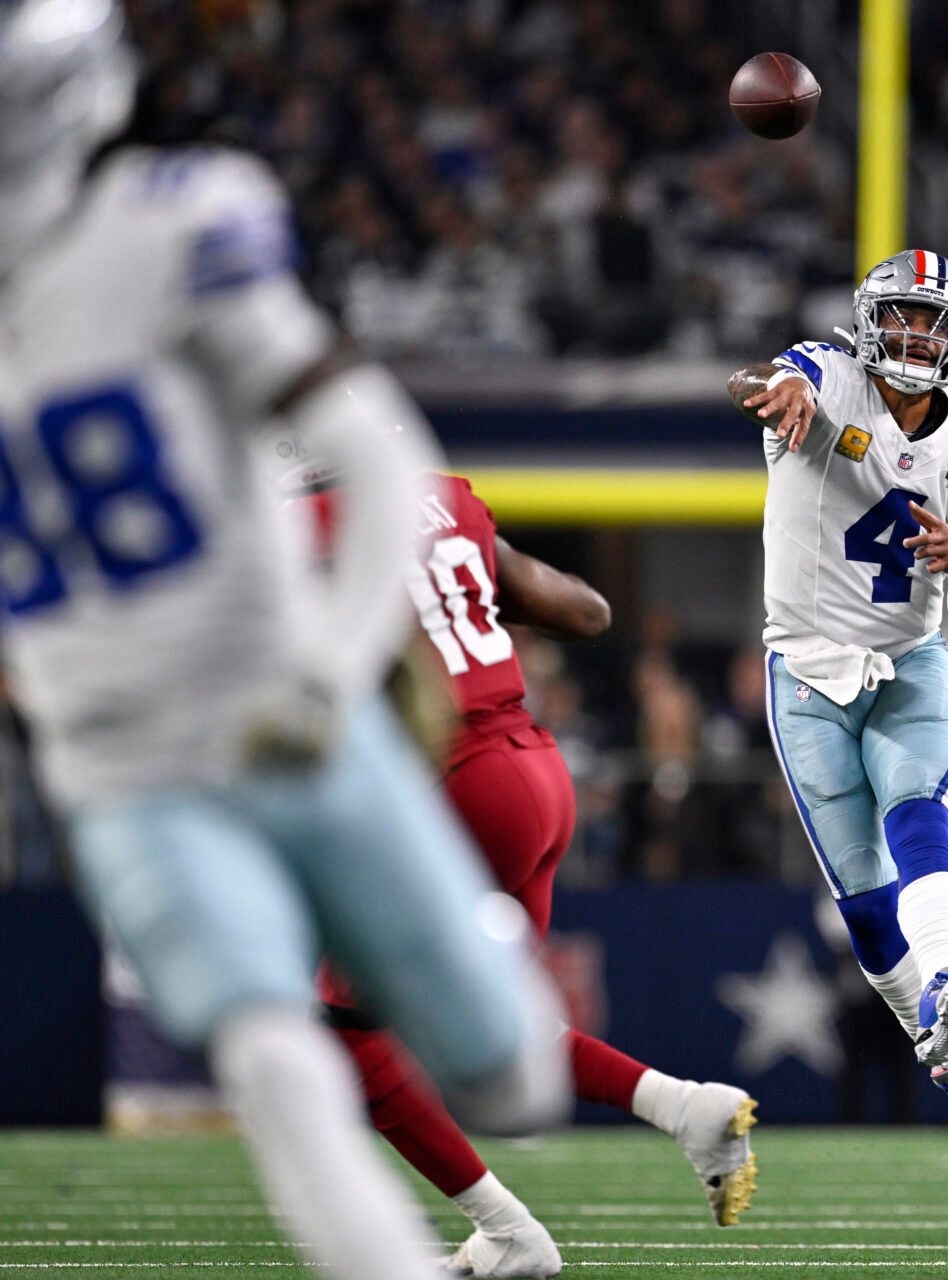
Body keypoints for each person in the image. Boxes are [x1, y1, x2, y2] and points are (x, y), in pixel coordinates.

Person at [0, 6, 566, 1279]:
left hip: (282, 706)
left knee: (512, 1071)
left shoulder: (164, 229)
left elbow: (378, 449)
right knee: (273, 1054)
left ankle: (467, 978)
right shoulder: (173, 212)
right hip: (129, 766)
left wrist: (329, 661)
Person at [286, 461, 760, 1276]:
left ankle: (506, 1231)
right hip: (535, 771)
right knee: (480, 1010)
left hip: (457, 779)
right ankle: (686, 1108)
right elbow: (586, 611)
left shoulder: (300, 523)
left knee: (343, 1031)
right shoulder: (438, 494)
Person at [727, 249, 948, 1176]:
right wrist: (780, 395)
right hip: (806, 677)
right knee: (862, 901)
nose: (917, 336)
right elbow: (783, 378)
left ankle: (946, 990)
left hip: (909, 664)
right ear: (868, 320)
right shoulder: (824, 377)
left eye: (935, 323)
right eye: (903, 317)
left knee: (917, 812)